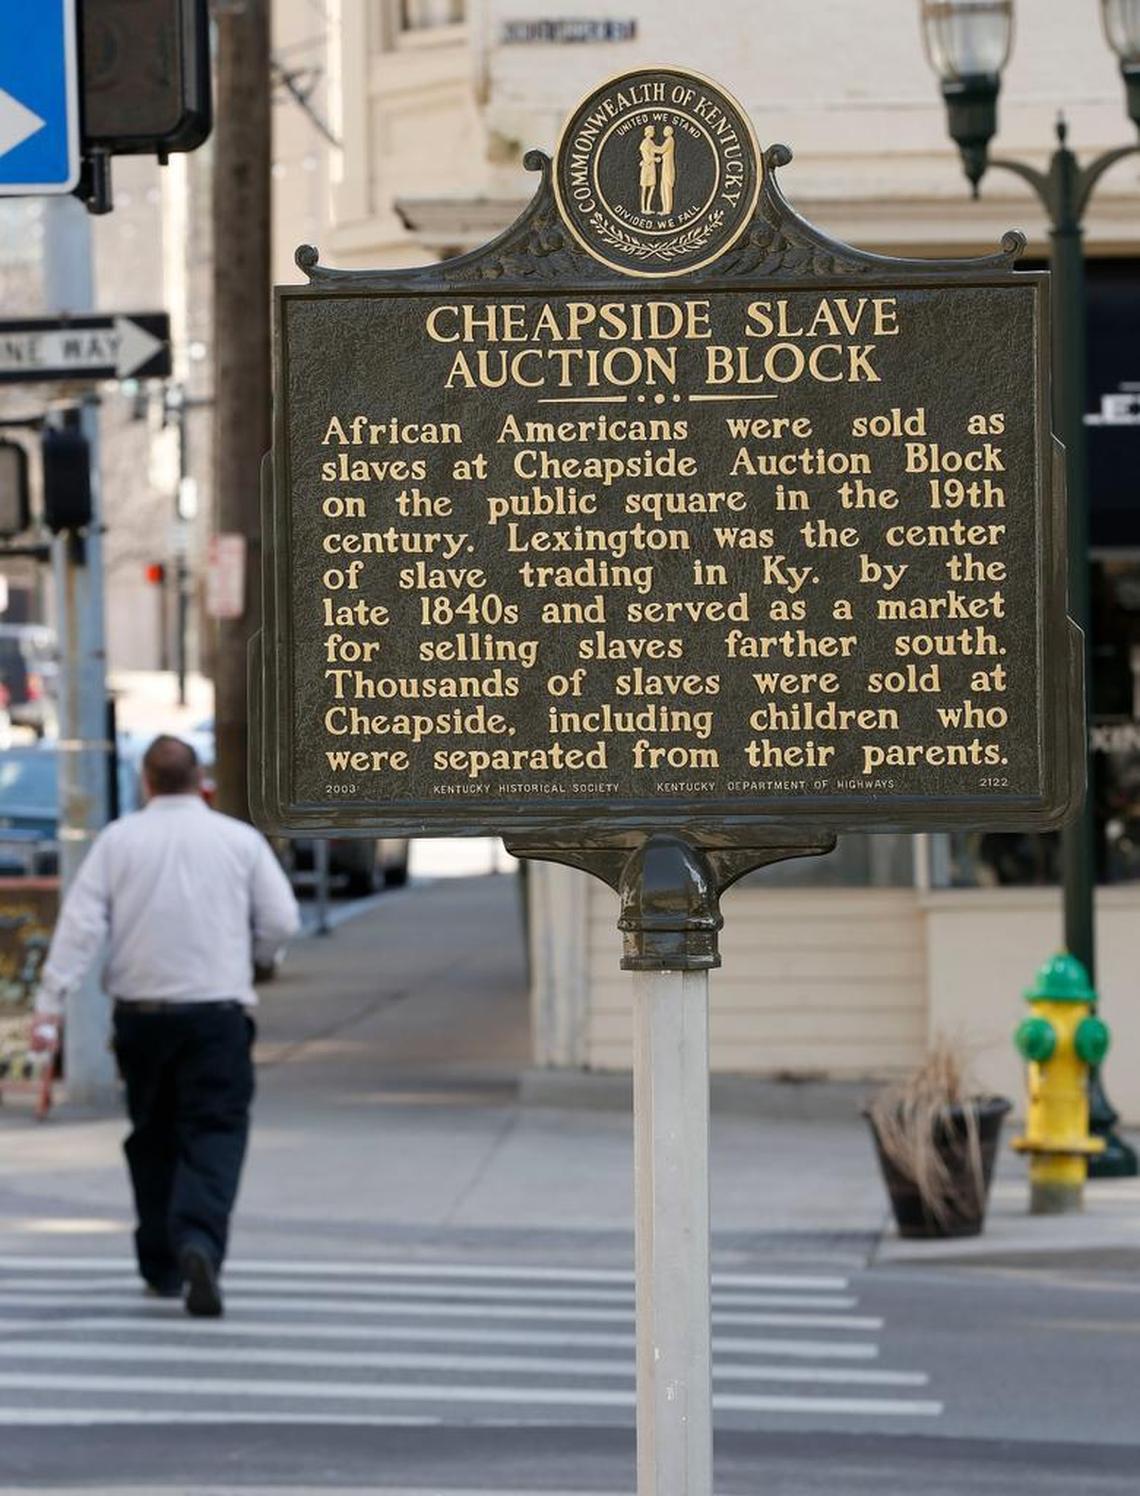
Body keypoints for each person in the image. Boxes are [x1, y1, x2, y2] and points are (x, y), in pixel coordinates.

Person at [34, 735, 300, 1318]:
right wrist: (260, 957)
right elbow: (281, 919)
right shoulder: (239, 840)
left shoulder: (117, 841)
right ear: (199, 778)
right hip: (217, 1017)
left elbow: (80, 927)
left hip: (142, 1019)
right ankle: (199, 1241)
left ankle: (160, 1265)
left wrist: (51, 1005)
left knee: (152, 1137)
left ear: (147, 784)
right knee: (213, 1132)